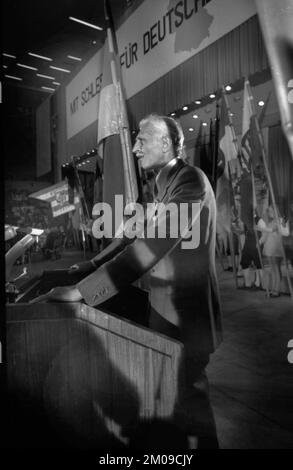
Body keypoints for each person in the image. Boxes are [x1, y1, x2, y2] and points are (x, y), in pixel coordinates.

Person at [31, 114, 223, 449]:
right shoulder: (163, 186)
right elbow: (130, 237)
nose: (134, 148)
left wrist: (83, 291)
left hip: (185, 320)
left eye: (142, 140)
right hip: (163, 314)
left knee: (190, 408)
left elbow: (152, 245)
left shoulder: (190, 182)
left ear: (165, 143)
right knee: (173, 408)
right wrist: (89, 265)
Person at [259, 205, 290, 297]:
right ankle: (273, 289)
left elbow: (272, 230)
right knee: (273, 270)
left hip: (276, 249)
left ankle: (276, 290)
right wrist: (260, 242)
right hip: (269, 248)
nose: (269, 213)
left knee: (276, 270)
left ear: (276, 211)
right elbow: (265, 234)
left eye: (271, 211)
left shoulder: (280, 221)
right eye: (269, 211)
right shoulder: (271, 222)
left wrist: (260, 228)